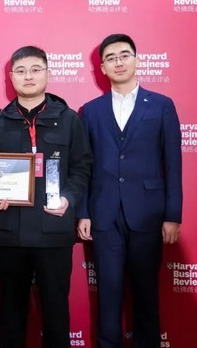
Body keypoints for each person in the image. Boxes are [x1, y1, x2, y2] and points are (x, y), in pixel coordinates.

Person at [0, 46, 92, 348]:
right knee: (11, 311)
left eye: (36, 69)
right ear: (11, 77)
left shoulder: (69, 120)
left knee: (56, 310)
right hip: (9, 231)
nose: (28, 76)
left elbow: (82, 167)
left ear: (48, 74)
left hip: (54, 229)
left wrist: (68, 198)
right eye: (21, 71)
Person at [77, 34, 182, 348]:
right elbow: (84, 165)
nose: (118, 62)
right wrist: (83, 211)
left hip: (148, 214)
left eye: (124, 55)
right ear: (102, 68)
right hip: (104, 214)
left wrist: (173, 215)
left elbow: (173, 163)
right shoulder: (90, 110)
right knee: (108, 294)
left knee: (146, 294)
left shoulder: (162, 105)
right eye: (111, 58)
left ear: (137, 60)